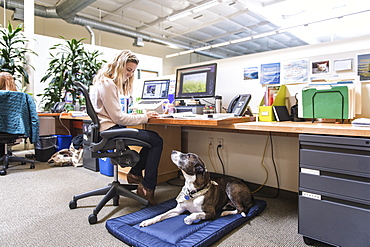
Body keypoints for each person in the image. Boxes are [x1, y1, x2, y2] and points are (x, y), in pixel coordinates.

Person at [90, 50, 163, 205]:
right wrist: (145, 117)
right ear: (118, 65)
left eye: (133, 71)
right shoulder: (108, 84)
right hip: (111, 132)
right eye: (128, 70)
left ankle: (135, 175)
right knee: (156, 140)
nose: (130, 74)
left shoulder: (101, 82)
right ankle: (147, 187)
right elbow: (118, 118)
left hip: (106, 130)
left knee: (152, 140)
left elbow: (114, 115)